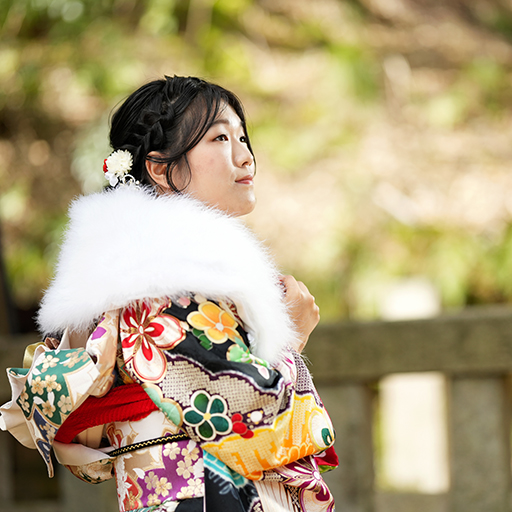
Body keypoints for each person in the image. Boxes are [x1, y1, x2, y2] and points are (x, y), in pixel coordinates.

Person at [0, 75, 337, 512]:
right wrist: (289, 335)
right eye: (220, 138)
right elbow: (248, 415)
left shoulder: (157, 273)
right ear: (160, 169)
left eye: (242, 137)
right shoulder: (158, 281)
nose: (245, 156)